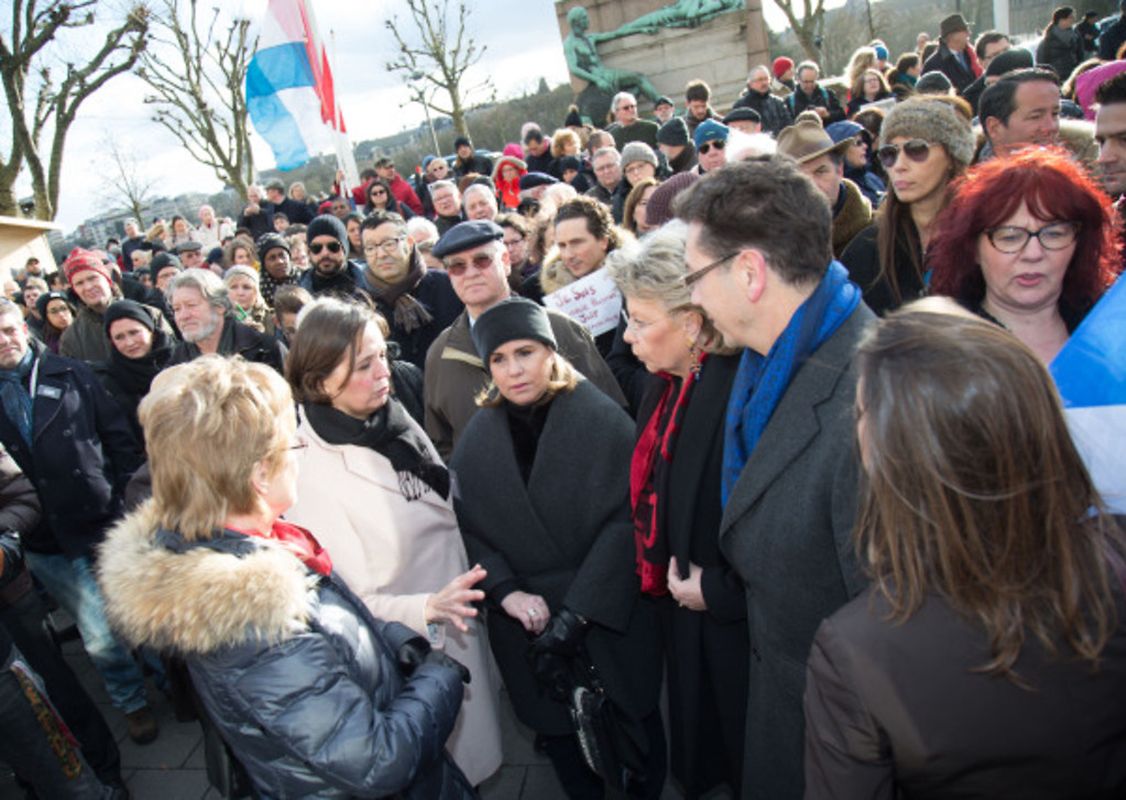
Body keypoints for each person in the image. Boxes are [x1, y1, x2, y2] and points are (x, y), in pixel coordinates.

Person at [97, 356, 476, 799]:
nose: (299, 458)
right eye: (292, 447)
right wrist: (440, 675)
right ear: (259, 474)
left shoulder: (243, 547)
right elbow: (376, 761)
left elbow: (328, 641)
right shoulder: (256, 620)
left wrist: (393, 641)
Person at [803, 301, 1126, 797]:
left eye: (864, 412)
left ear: (899, 457)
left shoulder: (858, 652)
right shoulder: (1114, 558)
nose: (856, 428)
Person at [676, 158, 872, 798]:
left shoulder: (871, 408)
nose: (693, 296)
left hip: (844, 744)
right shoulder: (767, 367)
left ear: (750, 273)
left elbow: (894, 646)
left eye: (694, 277)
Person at [280, 298, 503, 785]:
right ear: (320, 382)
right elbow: (347, 602)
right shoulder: (310, 474)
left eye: (382, 354)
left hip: (458, 627)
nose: (383, 371)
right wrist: (427, 606)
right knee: (451, 775)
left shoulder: (383, 416)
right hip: (419, 650)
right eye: (364, 364)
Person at [449, 297, 665, 799]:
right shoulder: (478, 436)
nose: (514, 369)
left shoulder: (601, 419)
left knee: (637, 739)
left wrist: (578, 614)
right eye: (498, 360)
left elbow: (628, 521)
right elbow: (469, 528)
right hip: (527, 624)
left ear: (550, 351)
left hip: (606, 613)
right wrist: (506, 593)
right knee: (564, 743)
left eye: (524, 352)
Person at [605, 222, 748, 798]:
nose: (628, 336)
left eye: (640, 321)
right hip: (683, 615)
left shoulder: (737, 392)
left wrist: (719, 590)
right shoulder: (664, 384)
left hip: (729, 629)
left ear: (692, 323)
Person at [0, 298, 157, 744]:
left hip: (103, 516)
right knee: (99, 635)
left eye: (9, 330)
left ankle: (169, 681)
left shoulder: (71, 373)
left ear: (24, 330)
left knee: (141, 607)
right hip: (45, 537)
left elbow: (118, 438)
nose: (4, 341)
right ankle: (132, 701)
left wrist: (127, 495)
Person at [423, 220, 624, 460]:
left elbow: (613, 418)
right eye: (457, 266)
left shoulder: (561, 329)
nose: (471, 273)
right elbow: (440, 444)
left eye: (482, 260)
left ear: (506, 262)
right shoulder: (441, 353)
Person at [0, 449, 129, 798]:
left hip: (11, 602)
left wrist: (2, 542)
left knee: (53, 688)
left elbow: (23, 498)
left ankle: (104, 772)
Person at [928, 147, 1120, 364]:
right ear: (972, 249)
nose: (1033, 253)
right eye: (1010, 237)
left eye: (1054, 234)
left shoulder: (1111, 337)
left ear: (1079, 243)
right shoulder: (940, 351)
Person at [841, 97, 976, 314]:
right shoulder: (867, 249)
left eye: (916, 150)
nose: (900, 165)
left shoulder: (986, 239)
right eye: (889, 153)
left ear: (952, 156)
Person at [359, 211, 464, 371]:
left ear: (409, 242)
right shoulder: (361, 305)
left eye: (389, 244)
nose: (380, 254)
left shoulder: (449, 285)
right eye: (371, 248)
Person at [542, 196, 630, 355]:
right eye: (562, 245)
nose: (568, 254)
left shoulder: (637, 283)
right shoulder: (545, 293)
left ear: (603, 241)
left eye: (577, 243)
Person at [58, 249, 175, 363]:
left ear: (107, 280)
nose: (88, 287)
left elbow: (175, 358)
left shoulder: (150, 314)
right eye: (79, 283)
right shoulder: (71, 339)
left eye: (92, 278)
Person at [777, 118, 872, 256]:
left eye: (820, 171)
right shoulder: (772, 248)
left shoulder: (878, 235)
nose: (812, 185)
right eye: (799, 177)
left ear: (840, 170)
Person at [167, 269, 286, 374]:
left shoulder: (265, 350)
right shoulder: (174, 363)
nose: (183, 316)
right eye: (177, 309)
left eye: (191, 305)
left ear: (219, 306)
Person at [95, 299, 174, 441]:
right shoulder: (109, 381)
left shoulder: (178, 361)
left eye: (134, 332)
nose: (129, 342)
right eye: (119, 337)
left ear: (151, 331)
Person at [978, 68, 1063, 160]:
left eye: (1055, 114)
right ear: (994, 128)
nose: (1051, 127)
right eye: (1035, 117)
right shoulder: (967, 173)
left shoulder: (1073, 170)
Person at [297, 214, 371, 302]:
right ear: (309, 252)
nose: (325, 253)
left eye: (333, 246)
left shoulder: (370, 280)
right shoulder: (299, 291)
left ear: (345, 248)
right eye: (317, 248)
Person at [923, 13, 982, 95]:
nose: (969, 33)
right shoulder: (934, 64)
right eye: (965, 30)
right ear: (952, 36)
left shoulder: (972, 55)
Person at [732, 65, 793, 136]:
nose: (764, 83)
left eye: (766, 79)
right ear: (751, 83)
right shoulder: (741, 106)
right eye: (760, 80)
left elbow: (789, 127)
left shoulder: (777, 103)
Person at [224, 265, 274, 335]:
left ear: (256, 292)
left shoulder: (270, 318)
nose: (240, 293)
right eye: (234, 287)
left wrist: (261, 336)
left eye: (246, 287)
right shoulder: (217, 318)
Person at [1039, 6, 1084, 83]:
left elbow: (1080, 55)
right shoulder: (1048, 39)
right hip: (1056, 78)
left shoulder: (1076, 35)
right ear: (1062, 19)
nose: (1073, 20)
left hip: (1073, 76)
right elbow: (1041, 61)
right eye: (1071, 17)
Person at [256, 231, 300, 307]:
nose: (279, 262)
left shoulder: (304, 279)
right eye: (272, 258)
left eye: (282, 255)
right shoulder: (257, 289)